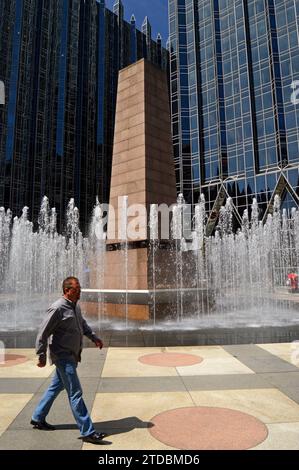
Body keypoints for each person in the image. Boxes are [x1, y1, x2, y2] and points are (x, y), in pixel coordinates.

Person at [31, 276, 106, 444]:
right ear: (67, 290)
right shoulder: (58, 308)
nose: (80, 292)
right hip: (62, 355)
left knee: (55, 387)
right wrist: (41, 354)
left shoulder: (74, 306)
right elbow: (42, 332)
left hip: (72, 354)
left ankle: (37, 417)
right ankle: (87, 431)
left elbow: (82, 324)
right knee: (75, 392)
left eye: (80, 289)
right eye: (77, 289)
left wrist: (94, 338)